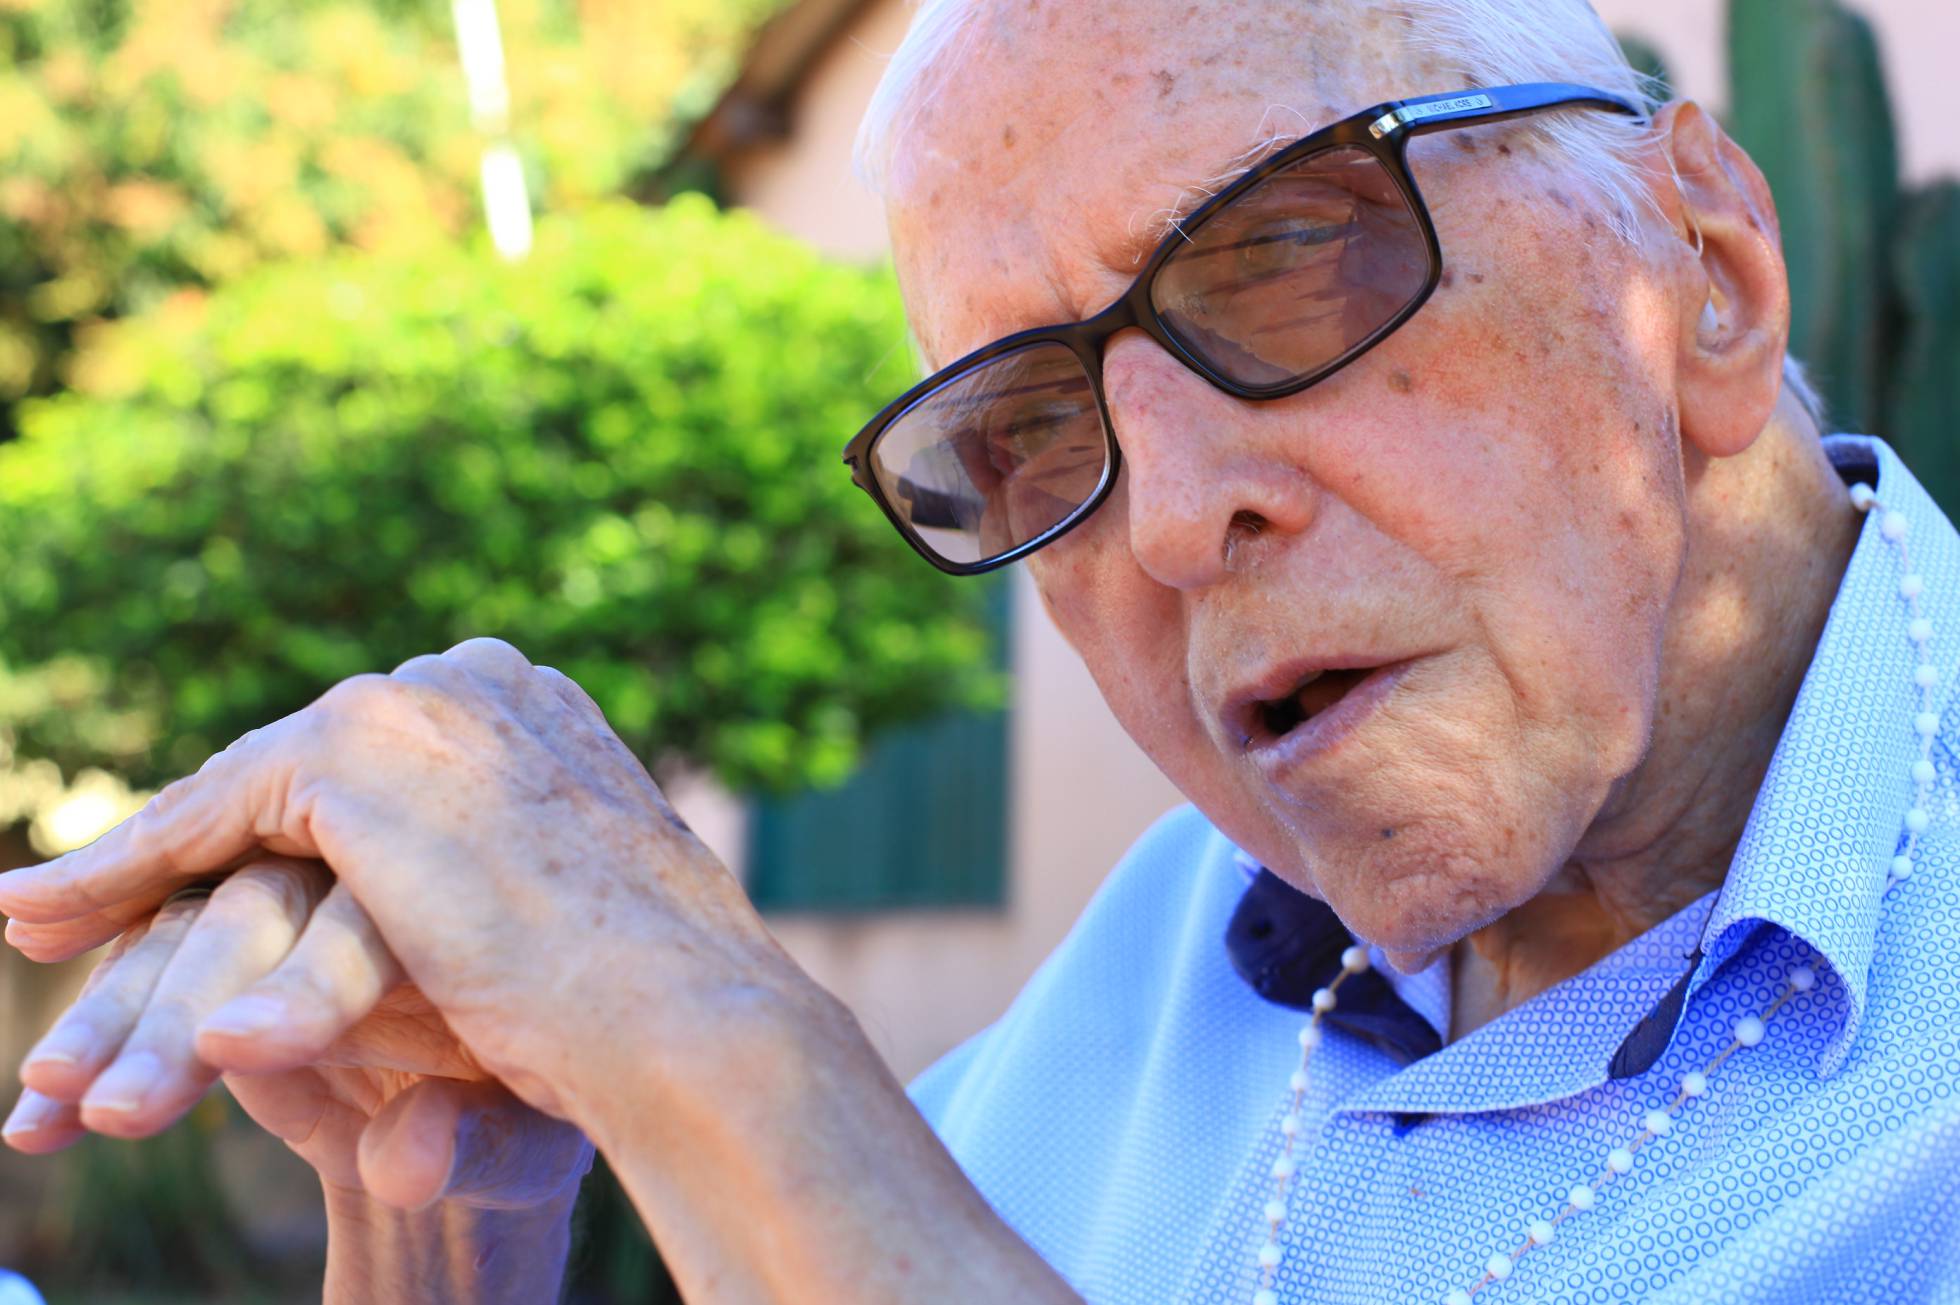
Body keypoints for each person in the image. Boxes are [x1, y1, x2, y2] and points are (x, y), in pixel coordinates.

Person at [3, 0, 1956, 1300]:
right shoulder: (1095, 1031)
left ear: (1702, 273)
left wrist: (716, 1036)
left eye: (1289, 266)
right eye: (1024, 433)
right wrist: (434, 1214)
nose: (1170, 516)